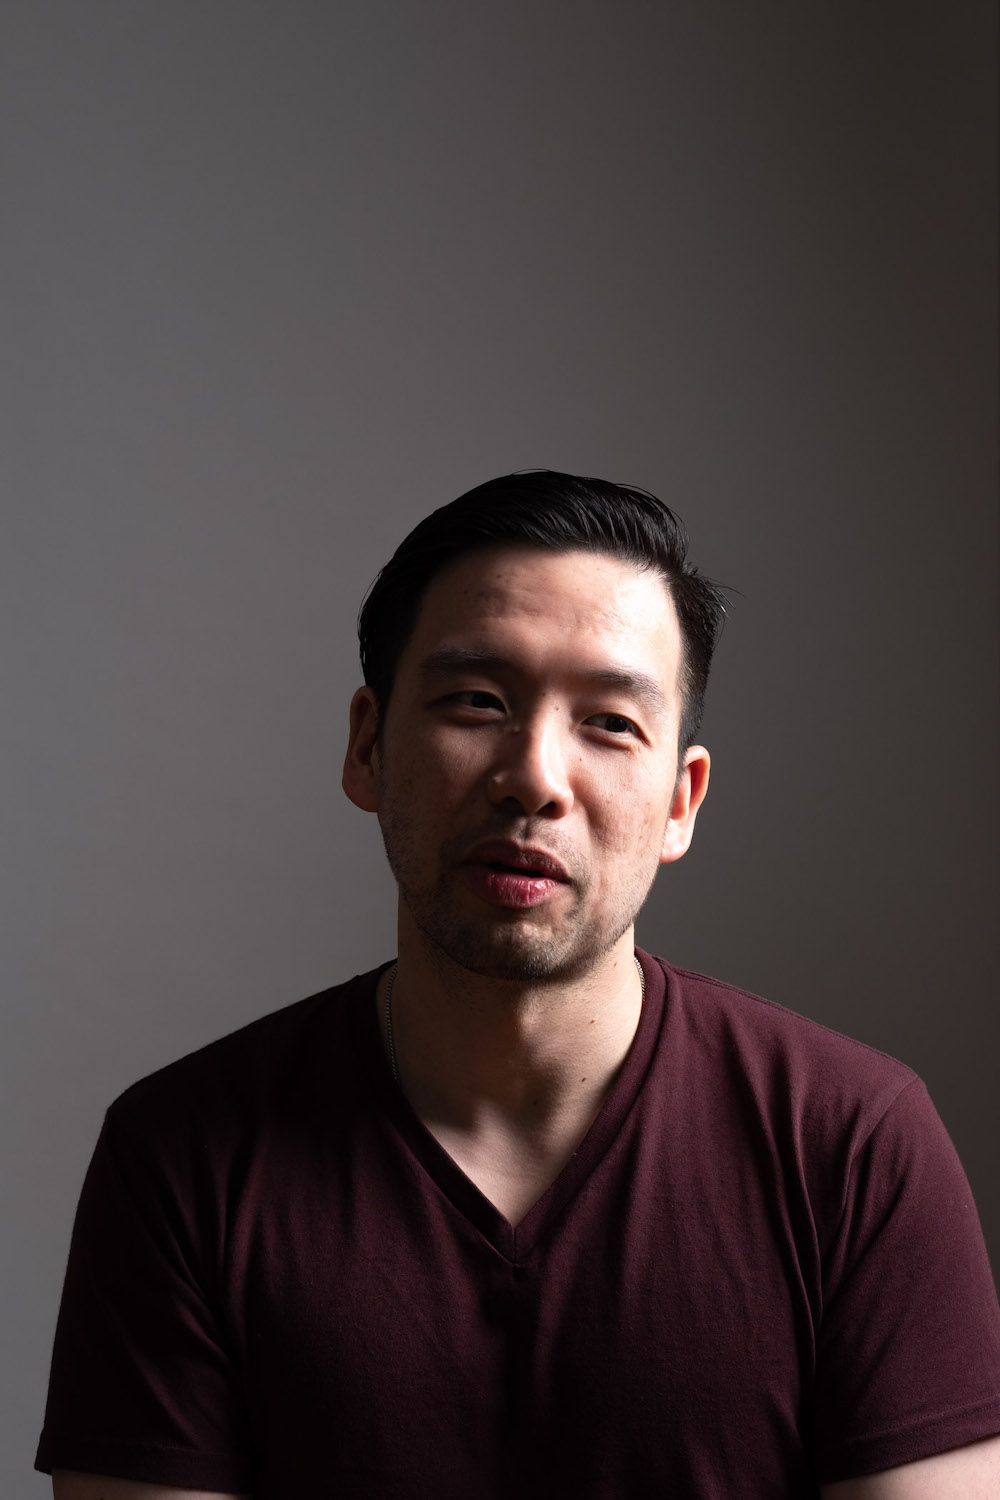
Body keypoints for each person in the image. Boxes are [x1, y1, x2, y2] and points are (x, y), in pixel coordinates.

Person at [37, 471, 1000, 1498]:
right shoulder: (184, 1159)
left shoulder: (853, 1144)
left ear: (681, 801)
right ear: (368, 746)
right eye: (477, 703)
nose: (534, 775)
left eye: (610, 724)